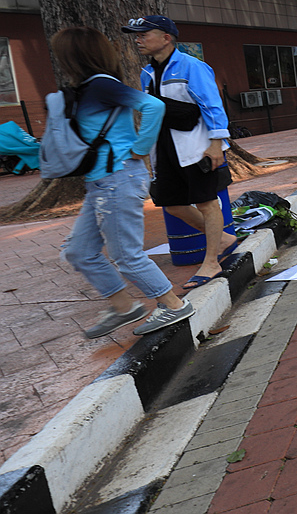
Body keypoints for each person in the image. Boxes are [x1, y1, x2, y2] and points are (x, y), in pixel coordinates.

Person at [51, 27, 194, 338]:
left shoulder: (102, 86)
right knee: (79, 251)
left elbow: (153, 107)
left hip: (119, 179)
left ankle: (174, 305)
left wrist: (141, 149)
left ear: (75, 56)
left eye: (62, 53)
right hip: (101, 183)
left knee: (125, 255)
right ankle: (123, 307)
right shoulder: (90, 87)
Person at [121, 15, 234, 291]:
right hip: (165, 148)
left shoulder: (192, 66)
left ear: (166, 38)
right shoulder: (146, 73)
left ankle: (211, 261)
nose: (138, 40)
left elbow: (212, 106)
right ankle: (223, 240)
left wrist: (217, 143)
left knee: (207, 203)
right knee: (173, 205)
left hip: (197, 147)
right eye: (136, 35)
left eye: (143, 34)